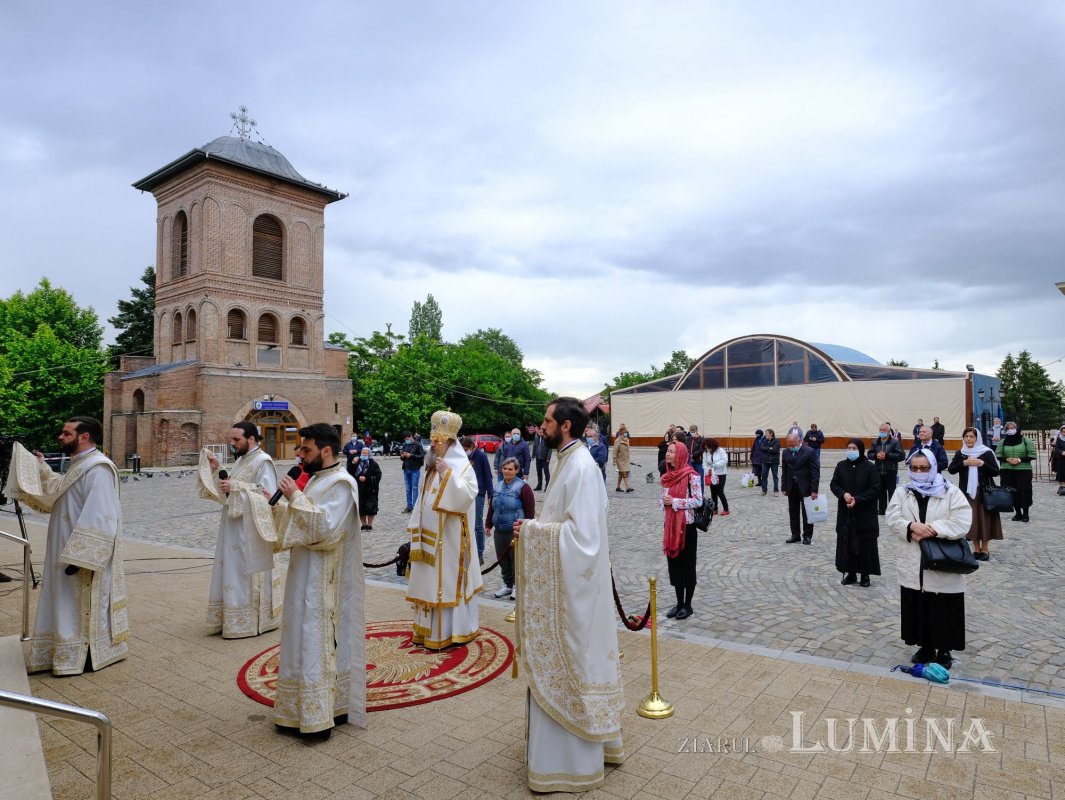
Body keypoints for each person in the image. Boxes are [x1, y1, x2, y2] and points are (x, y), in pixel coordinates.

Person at [512, 397, 624, 791]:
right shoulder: (566, 461)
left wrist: (531, 532)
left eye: (546, 421)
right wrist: (535, 526)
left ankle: (572, 762)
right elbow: (561, 520)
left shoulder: (581, 467)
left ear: (565, 426)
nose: (539, 426)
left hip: (575, 592)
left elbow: (585, 539)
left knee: (575, 660)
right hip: (564, 586)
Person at [257, 423, 364, 738]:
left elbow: (326, 530)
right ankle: (296, 708)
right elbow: (300, 521)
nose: (299, 454)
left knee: (315, 637)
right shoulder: (317, 481)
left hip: (324, 579)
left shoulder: (342, 484)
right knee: (299, 636)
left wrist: (296, 497)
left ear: (326, 451)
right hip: (304, 572)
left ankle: (321, 716)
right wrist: (280, 505)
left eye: (306, 449)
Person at [8, 417, 129, 675]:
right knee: (62, 602)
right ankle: (63, 651)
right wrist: (40, 468)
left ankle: (81, 655)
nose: (60, 437)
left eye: (66, 433)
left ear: (83, 437)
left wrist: (81, 556)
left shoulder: (99, 468)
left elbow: (101, 513)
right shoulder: (79, 465)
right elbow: (59, 491)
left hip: (78, 556)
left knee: (77, 606)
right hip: (63, 548)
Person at [886, 450, 972, 669]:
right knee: (918, 604)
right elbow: (892, 517)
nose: (919, 472)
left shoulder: (950, 492)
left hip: (942, 558)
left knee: (944, 605)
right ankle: (924, 646)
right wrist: (910, 526)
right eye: (914, 468)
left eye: (924, 468)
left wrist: (933, 529)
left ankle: (944, 649)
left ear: (933, 467)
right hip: (913, 558)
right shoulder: (903, 492)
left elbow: (962, 521)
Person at [406, 410, 483, 649]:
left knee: (448, 581)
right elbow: (422, 498)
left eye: (439, 440)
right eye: (433, 439)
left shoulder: (460, 466)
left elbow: (469, 494)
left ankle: (452, 632)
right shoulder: (430, 465)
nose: (434, 444)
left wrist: (447, 474)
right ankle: (426, 631)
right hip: (427, 538)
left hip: (450, 539)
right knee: (428, 581)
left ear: (450, 440)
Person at [200, 422, 280, 638]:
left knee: (244, 573)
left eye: (237, 440)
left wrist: (235, 487)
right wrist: (217, 469)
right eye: (232, 439)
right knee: (231, 572)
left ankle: (249, 620)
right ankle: (230, 616)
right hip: (232, 527)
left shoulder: (264, 461)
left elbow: (269, 498)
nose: (232, 444)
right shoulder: (242, 460)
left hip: (250, 531)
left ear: (252, 439)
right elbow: (229, 486)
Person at [659, 438, 703, 620]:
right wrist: (664, 501)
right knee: (675, 566)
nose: (667, 454)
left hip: (687, 527)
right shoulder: (667, 476)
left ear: (680, 455)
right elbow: (662, 501)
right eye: (667, 451)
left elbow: (698, 500)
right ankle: (678, 603)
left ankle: (688, 605)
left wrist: (676, 502)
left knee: (687, 566)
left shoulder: (692, 475)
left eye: (671, 451)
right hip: (670, 526)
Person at [830, 439, 881, 587]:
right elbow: (834, 484)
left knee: (865, 543)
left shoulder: (869, 467)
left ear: (860, 449)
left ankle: (865, 575)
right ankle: (850, 573)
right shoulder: (841, 466)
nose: (851, 450)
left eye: (854, 448)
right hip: (846, 511)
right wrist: (843, 494)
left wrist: (858, 499)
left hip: (865, 513)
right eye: (849, 448)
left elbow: (875, 488)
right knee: (847, 542)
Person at [948, 427, 1002, 561]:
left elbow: (996, 471)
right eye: (966, 436)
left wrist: (982, 463)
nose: (968, 439)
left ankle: (985, 548)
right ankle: (976, 548)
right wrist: (964, 463)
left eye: (971, 436)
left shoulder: (986, 452)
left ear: (977, 438)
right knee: (971, 520)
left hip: (984, 492)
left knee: (985, 520)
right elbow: (952, 469)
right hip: (967, 492)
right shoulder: (961, 453)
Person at [485, 457, 535, 601]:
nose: (507, 472)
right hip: (499, 530)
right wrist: (488, 524)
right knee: (503, 559)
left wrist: (527, 527)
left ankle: (516, 586)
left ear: (517, 470)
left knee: (516, 560)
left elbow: (530, 509)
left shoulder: (523, 487)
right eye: (505, 469)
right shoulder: (497, 486)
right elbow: (492, 507)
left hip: (515, 531)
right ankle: (507, 584)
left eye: (510, 469)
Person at [782, 432, 820, 544]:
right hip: (791, 486)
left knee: (807, 512)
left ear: (799, 441)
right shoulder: (785, 452)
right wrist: (784, 487)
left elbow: (815, 472)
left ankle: (807, 536)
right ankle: (795, 535)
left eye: (793, 445)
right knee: (793, 512)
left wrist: (814, 490)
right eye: (788, 445)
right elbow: (784, 470)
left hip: (806, 487)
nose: (790, 447)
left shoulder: (809, 452)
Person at [995, 422, 1037, 522]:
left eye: (1012, 427)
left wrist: (1019, 460)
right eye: (1008, 428)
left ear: (1017, 428)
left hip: (1023, 471)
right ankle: (1017, 513)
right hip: (1007, 471)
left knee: (1024, 491)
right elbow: (998, 454)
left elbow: (1032, 454)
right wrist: (1007, 459)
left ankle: (1026, 513)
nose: (1011, 429)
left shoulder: (1026, 440)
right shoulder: (1003, 441)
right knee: (1010, 491)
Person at [462, 435, 494, 564]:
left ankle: (479, 553)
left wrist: (490, 494)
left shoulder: (481, 456)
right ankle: (468, 549)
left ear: (472, 447)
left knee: (478, 524)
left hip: (478, 493)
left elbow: (488, 475)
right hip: (465, 492)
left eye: (466, 449)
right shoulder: (462, 458)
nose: (464, 451)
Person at [868, 422, 906, 515]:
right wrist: (876, 456)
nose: (882, 431)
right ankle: (882, 510)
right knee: (880, 491)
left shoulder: (895, 442)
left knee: (892, 492)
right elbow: (869, 454)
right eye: (880, 430)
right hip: (878, 471)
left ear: (889, 431)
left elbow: (901, 455)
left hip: (890, 471)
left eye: (884, 430)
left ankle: (893, 510)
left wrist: (887, 455)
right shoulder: (875, 442)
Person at [352, 445, 382, 531]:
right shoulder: (357, 462)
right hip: (359, 489)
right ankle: (363, 524)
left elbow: (378, 476)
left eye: (365, 453)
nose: (363, 454)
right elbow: (350, 472)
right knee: (361, 508)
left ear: (369, 454)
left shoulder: (373, 464)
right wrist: (353, 463)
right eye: (362, 453)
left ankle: (369, 524)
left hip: (370, 490)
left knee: (370, 508)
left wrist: (366, 479)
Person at [702, 436, 729, 516]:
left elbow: (724, 460)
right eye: (705, 447)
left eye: (708, 447)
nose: (707, 449)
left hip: (721, 473)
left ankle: (726, 509)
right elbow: (704, 464)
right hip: (711, 474)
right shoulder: (705, 453)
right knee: (713, 492)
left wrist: (715, 465)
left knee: (720, 492)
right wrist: (707, 470)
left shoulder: (720, 450)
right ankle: (715, 509)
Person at [399, 431, 425, 513]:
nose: (406, 440)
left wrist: (411, 455)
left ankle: (415, 507)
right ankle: (409, 506)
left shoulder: (418, 445)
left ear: (411, 437)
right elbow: (403, 458)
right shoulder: (405, 445)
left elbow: (422, 456)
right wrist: (402, 456)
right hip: (406, 469)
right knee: (408, 489)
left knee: (414, 488)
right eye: (405, 439)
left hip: (415, 469)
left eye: (407, 438)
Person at [760, 428, 781, 496]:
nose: (765, 435)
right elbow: (761, 448)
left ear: (771, 433)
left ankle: (776, 491)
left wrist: (767, 449)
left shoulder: (776, 440)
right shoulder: (764, 440)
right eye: (765, 433)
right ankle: (764, 490)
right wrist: (770, 448)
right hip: (765, 461)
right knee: (764, 476)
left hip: (774, 461)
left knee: (775, 476)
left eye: (766, 433)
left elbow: (775, 450)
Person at [613, 423, 633, 493]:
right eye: (625, 433)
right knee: (624, 473)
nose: (626, 434)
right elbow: (615, 451)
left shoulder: (626, 440)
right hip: (620, 460)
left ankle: (618, 487)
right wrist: (614, 460)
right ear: (621, 433)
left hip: (626, 459)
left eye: (626, 433)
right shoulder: (617, 441)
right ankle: (628, 487)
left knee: (621, 473)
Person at [532, 426, 551, 490]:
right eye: (539, 432)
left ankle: (547, 485)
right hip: (538, 458)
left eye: (541, 432)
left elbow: (550, 449)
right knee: (539, 472)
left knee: (546, 472)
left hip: (545, 458)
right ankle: (539, 485)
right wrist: (533, 455)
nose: (540, 433)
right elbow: (534, 447)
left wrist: (548, 458)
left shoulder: (547, 439)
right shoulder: (537, 438)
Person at [1053, 424, 1065, 494]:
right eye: (1063, 432)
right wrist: (1061, 452)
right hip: (1061, 459)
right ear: (1061, 432)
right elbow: (1057, 449)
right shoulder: (1059, 439)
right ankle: (1062, 488)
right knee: (1062, 474)